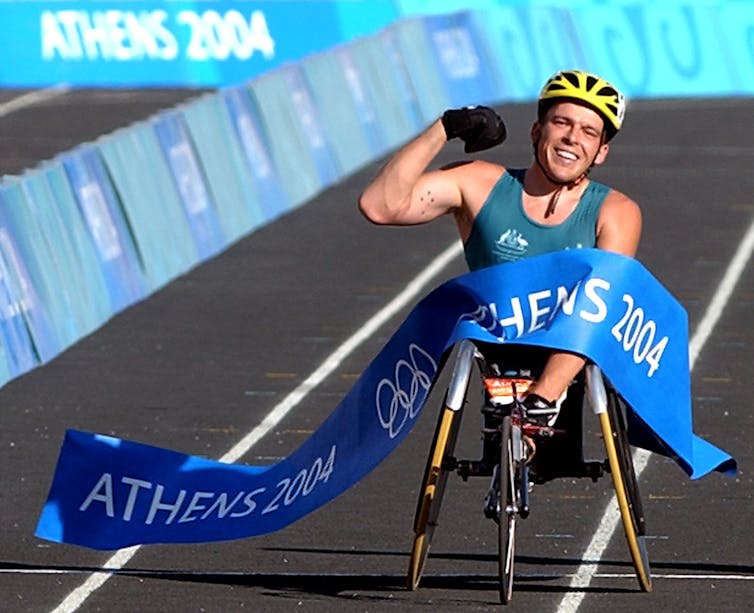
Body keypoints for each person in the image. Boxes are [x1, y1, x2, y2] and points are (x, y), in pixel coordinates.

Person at [359, 69, 642, 424]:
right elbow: (380, 205)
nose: (572, 138)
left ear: (601, 152)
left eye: (588, 131)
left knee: (596, 308)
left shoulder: (616, 212)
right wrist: (445, 128)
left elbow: (596, 308)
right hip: (494, 341)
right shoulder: (479, 182)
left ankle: (543, 405)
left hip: (567, 351)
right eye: (562, 123)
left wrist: (545, 394)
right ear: (537, 131)